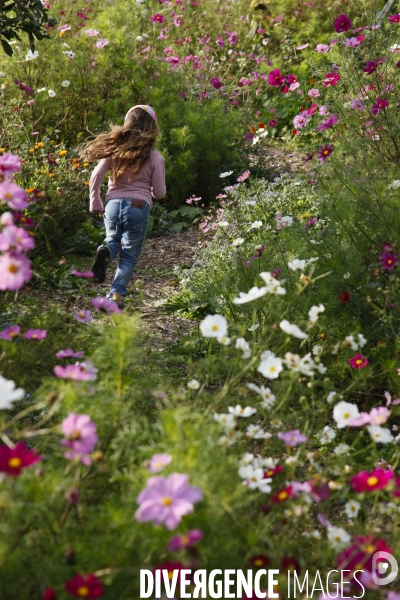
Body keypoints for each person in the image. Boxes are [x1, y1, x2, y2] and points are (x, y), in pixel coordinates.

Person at [83, 105, 166, 307]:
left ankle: (106, 251)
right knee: (129, 255)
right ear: (152, 129)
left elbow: (96, 175)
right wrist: (152, 193)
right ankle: (116, 297)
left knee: (112, 239)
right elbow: (160, 192)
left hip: (112, 204)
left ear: (127, 124)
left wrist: (95, 200)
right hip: (138, 207)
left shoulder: (114, 150)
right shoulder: (155, 157)